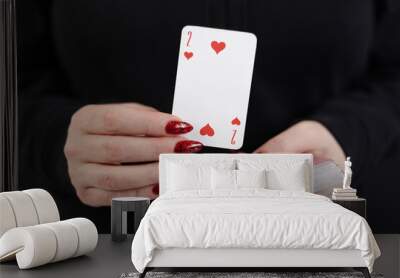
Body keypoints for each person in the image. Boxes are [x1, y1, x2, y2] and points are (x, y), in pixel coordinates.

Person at [17, 1, 400, 232]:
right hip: (107, 238)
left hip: (333, 234)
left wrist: (348, 133)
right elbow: (16, 83)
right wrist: (55, 139)